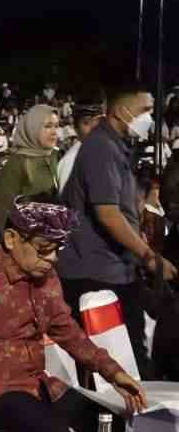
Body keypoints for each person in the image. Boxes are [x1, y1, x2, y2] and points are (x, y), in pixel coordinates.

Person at [0, 202, 146, 432]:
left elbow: (68, 332)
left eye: (56, 250)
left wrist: (113, 373)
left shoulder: (46, 278)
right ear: (10, 239)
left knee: (108, 426)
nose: (52, 258)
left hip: (36, 384)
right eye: (44, 249)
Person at [57, 82, 177, 379]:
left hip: (114, 270)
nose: (150, 117)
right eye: (145, 110)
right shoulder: (100, 148)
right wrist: (149, 256)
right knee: (119, 365)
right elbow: (108, 214)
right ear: (121, 111)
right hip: (96, 275)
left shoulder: (116, 147)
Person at [0, 104, 60, 233]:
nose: (54, 132)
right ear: (32, 128)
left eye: (56, 126)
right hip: (27, 241)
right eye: (47, 126)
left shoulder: (57, 156)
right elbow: (3, 213)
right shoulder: (17, 162)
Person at [57, 102, 105, 190]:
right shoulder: (71, 162)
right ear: (76, 128)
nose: (93, 127)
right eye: (86, 123)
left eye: (97, 122)